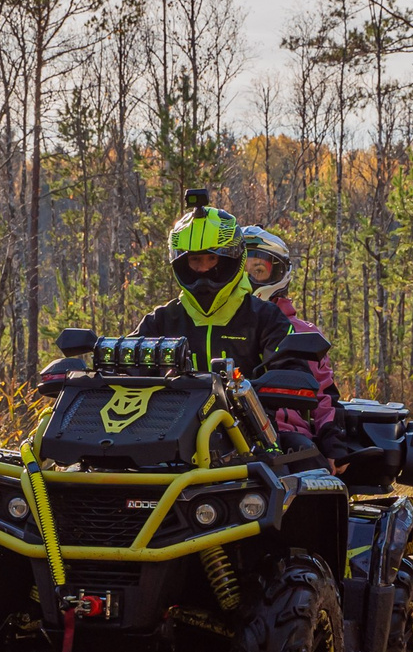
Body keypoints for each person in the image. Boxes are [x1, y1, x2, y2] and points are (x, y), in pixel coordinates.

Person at [134, 191, 293, 375]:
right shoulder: (160, 321)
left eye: (212, 258)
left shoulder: (266, 318)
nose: (203, 269)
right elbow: (124, 370)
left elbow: (293, 371)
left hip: (249, 396)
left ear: (230, 260)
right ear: (182, 263)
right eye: (195, 259)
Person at [238, 222, 349, 456]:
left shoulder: (302, 332)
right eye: (240, 271)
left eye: (259, 270)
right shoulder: (209, 326)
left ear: (278, 273)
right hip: (221, 436)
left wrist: (332, 440)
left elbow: (324, 396)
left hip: (286, 437)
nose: (249, 279)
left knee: (310, 463)